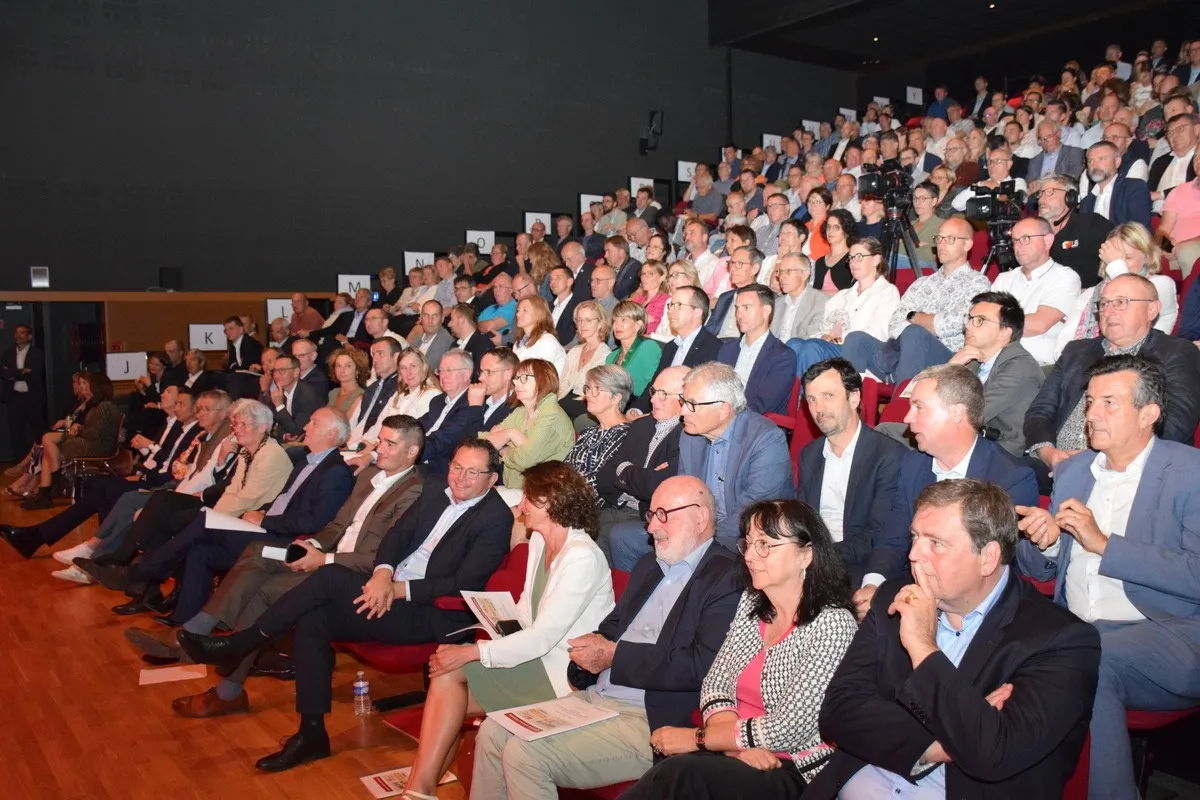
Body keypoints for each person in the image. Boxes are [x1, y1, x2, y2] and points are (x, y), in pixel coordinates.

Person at [178, 440, 514, 772]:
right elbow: (397, 534)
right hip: (387, 589)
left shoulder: (495, 517)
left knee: (331, 577)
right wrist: (382, 573)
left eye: (473, 471)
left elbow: (464, 583)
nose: (461, 477)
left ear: (492, 479)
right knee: (313, 620)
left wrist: (398, 590)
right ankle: (311, 735)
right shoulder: (435, 490)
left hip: (431, 611)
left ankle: (240, 643)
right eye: (457, 466)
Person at [810, 479, 1101, 799]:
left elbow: (993, 753)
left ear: (988, 557)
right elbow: (838, 712)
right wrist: (940, 743)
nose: (914, 554)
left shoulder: (1061, 641)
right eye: (915, 537)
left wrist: (923, 646)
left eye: (935, 543)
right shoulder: (894, 596)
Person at [129, 415, 426, 712]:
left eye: (390, 443)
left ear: (411, 452)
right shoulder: (368, 476)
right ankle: (198, 635)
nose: (380, 448)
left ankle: (217, 675)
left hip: (347, 572)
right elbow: (337, 525)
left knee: (266, 590)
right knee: (259, 552)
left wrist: (323, 558)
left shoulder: (414, 491)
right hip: (321, 554)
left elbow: (380, 556)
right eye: (381, 440)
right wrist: (311, 545)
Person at [470, 475, 741, 798]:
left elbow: (701, 665)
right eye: (651, 516)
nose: (652, 527)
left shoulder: (727, 577)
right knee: (493, 730)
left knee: (524, 754)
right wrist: (587, 655)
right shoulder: (649, 567)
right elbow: (610, 629)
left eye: (664, 515)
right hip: (598, 697)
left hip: (648, 717)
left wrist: (613, 656)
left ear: (700, 517)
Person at [1016, 355, 1200, 800]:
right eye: (1090, 401)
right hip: (1078, 631)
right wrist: (1046, 543)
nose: (1091, 413)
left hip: (1172, 636)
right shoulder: (1075, 470)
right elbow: (1039, 569)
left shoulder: (1190, 472)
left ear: (1148, 413)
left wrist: (1104, 544)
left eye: (1109, 403)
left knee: (1085, 656)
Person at [401, 461, 616, 797]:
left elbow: (542, 638)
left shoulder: (583, 557)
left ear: (549, 502)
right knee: (447, 679)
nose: (520, 507)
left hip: (564, 677)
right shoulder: (540, 543)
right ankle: (420, 788)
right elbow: (524, 611)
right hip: (536, 661)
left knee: (448, 676)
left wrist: (474, 650)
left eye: (527, 499)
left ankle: (419, 788)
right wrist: (489, 619)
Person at [624, 499, 858, 800]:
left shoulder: (833, 624)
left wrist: (699, 739)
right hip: (736, 751)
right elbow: (716, 683)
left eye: (765, 545)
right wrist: (733, 748)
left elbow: (788, 727)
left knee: (680, 774)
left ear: (806, 555)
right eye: (747, 543)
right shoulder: (753, 603)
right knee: (675, 775)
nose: (750, 555)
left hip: (793, 768)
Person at [84, 408, 356, 620]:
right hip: (267, 530)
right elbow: (283, 500)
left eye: (314, 423)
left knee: (201, 522)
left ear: (332, 434)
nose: (306, 427)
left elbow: (315, 522)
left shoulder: (335, 473)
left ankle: (139, 572)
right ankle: (184, 619)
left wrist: (265, 519)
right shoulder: (307, 462)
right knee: (200, 549)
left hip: (286, 547)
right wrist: (262, 511)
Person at [855, 364, 1041, 610]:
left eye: (919, 407)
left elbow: (990, 569)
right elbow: (893, 538)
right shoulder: (913, 464)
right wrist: (874, 585)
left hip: (972, 610)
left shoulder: (1011, 478)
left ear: (956, 413)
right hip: (909, 586)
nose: (907, 418)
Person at [1025, 274, 1200, 492]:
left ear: (1152, 310)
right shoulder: (1076, 351)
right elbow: (1039, 411)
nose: (1108, 312)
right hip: (1055, 464)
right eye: (1104, 303)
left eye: (1121, 302)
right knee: (998, 475)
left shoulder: (1177, 353)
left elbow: (1175, 425)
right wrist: (1049, 454)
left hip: (1131, 470)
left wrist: (1097, 457)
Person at [609, 363, 792, 570]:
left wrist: (701, 541)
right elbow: (687, 493)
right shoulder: (690, 436)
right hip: (700, 529)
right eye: (683, 401)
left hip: (745, 538)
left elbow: (752, 512)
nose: (683, 411)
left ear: (723, 409)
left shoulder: (765, 439)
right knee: (622, 537)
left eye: (692, 404)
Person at [2, 388, 203, 559]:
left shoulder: (190, 432)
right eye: (173, 400)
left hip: (163, 485)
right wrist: (144, 465)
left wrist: (147, 457)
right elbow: (161, 460)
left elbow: (171, 467)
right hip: (153, 478)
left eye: (178, 401)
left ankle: (95, 547)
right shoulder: (172, 426)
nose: (169, 400)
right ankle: (81, 544)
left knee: (107, 487)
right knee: (101, 487)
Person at [797, 359, 906, 609]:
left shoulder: (888, 455)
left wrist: (819, 556)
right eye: (811, 399)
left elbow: (879, 533)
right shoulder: (809, 455)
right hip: (812, 558)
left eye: (828, 395)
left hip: (860, 563)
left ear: (854, 398)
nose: (819, 408)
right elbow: (803, 520)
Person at [842, 218, 993, 384]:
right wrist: (926, 322)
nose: (941, 244)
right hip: (902, 350)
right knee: (855, 339)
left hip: (946, 357)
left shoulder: (978, 282)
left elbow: (959, 322)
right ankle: (853, 404)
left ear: (967, 245)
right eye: (939, 238)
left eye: (949, 239)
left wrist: (914, 318)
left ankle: (900, 404)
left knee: (914, 333)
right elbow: (895, 324)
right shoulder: (921, 283)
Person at [594, 366, 686, 562]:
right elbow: (603, 477)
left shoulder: (687, 434)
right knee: (573, 525)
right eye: (653, 392)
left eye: (663, 394)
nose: (652, 399)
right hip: (617, 504)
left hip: (647, 515)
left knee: (609, 534)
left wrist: (624, 470)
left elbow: (657, 486)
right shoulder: (640, 426)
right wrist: (639, 475)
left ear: (683, 398)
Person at [1054, 222, 1179, 358]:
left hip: (1139, 366)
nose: (1121, 263)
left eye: (1128, 258)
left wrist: (1115, 265)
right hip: (1084, 367)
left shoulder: (1161, 285)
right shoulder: (1091, 293)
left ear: (1147, 257)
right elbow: (1064, 343)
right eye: (1115, 259)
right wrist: (1070, 363)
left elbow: (1129, 294)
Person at [786, 238, 900, 380]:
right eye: (850, 258)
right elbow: (823, 328)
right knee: (794, 344)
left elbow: (879, 334)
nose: (852, 262)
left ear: (876, 260)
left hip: (859, 354)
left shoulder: (887, 292)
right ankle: (791, 400)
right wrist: (824, 336)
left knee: (811, 348)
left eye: (859, 257)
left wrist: (837, 339)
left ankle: (806, 399)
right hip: (829, 348)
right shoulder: (841, 296)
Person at [20, 372, 122, 510]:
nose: (82, 387)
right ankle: (48, 489)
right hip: (90, 442)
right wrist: (77, 429)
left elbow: (94, 433)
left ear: (97, 387)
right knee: (48, 448)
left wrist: (78, 429)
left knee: (49, 450)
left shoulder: (105, 407)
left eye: (87, 384)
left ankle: (47, 491)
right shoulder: (97, 405)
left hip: (97, 446)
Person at [988, 217, 1082, 366]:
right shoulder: (1003, 279)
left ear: (1048, 241)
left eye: (1025, 238)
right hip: (996, 361)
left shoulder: (1064, 277)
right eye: (1015, 240)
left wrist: (991, 323)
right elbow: (983, 319)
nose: (1018, 246)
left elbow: (1040, 323)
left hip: (1038, 365)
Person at [482, 359, 574, 490]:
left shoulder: (551, 414)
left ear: (544, 380)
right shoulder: (521, 411)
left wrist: (507, 440)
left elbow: (526, 460)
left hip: (541, 495)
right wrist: (510, 437)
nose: (515, 382)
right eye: (517, 378)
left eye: (524, 378)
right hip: (515, 489)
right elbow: (483, 443)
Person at [718, 284, 795, 416]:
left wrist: (726, 418)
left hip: (755, 426)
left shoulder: (782, 356)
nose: (739, 315)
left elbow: (763, 405)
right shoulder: (727, 349)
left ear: (766, 311)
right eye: (737, 308)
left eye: (746, 308)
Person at [1036, 173, 1115, 288]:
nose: (1041, 199)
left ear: (1070, 198)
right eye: (1040, 194)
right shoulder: (1035, 233)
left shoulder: (1091, 224)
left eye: (1050, 192)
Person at [563, 365, 631, 490]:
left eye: (596, 389)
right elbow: (564, 470)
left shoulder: (625, 436)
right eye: (588, 388)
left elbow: (596, 485)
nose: (588, 394)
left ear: (616, 398)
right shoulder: (588, 433)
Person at [557, 300, 612, 421]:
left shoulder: (606, 355)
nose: (582, 325)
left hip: (585, 405)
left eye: (588, 320)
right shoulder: (574, 351)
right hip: (564, 400)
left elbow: (597, 393)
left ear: (600, 324)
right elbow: (562, 384)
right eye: (579, 320)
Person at [1, 323, 45, 455]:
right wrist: (22, 372)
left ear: (29, 336)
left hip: (32, 397)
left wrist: (13, 373)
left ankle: (38, 461)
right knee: (16, 432)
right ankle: (19, 462)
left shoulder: (37, 353)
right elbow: (3, 373)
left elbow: (35, 373)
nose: (18, 336)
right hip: (13, 398)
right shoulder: (7, 354)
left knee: (37, 430)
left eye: (22, 333)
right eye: (16, 333)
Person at [605, 300, 662, 399]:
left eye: (623, 320)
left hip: (640, 405)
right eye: (615, 320)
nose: (617, 325)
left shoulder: (648, 347)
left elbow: (654, 386)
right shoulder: (611, 357)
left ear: (638, 325)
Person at [770, 252, 828, 344]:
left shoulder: (821, 302)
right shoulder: (777, 304)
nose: (781, 277)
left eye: (788, 271)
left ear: (804, 274)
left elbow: (811, 341)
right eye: (780, 272)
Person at [265, 353, 323, 441]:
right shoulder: (279, 392)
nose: (276, 375)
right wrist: (285, 435)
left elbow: (298, 431)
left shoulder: (308, 394)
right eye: (275, 371)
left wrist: (279, 405)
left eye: (282, 370)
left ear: (296, 372)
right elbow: (276, 426)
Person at [512, 296, 567, 378]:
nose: (518, 314)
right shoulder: (518, 343)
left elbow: (540, 378)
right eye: (518, 310)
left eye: (525, 310)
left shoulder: (547, 342)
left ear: (539, 314)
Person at [810, 209, 857, 293]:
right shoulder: (820, 262)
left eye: (836, 227)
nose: (830, 231)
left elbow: (855, 293)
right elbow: (815, 293)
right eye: (828, 227)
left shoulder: (853, 258)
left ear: (846, 230)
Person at [628, 260, 669, 334]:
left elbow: (650, 328)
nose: (644, 278)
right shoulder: (639, 299)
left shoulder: (665, 300)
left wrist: (634, 318)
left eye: (650, 274)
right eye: (643, 274)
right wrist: (644, 318)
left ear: (662, 277)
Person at [325, 347, 368, 417]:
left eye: (348, 366)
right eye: (338, 366)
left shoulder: (360, 396)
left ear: (358, 370)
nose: (342, 370)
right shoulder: (333, 393)